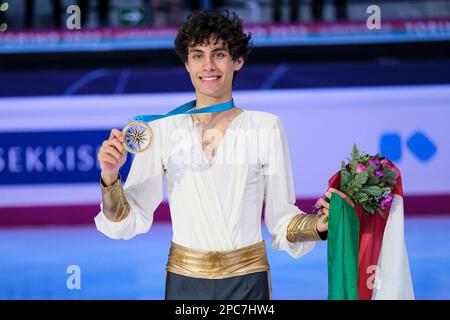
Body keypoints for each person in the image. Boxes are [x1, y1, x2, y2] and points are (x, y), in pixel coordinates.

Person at [95, 10, 354, 300]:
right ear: (187, 63)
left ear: (237, 60)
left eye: (218, 54)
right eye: (197, 55)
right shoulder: (161, 131)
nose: (208, 65)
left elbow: (281, 220)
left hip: (248, 283)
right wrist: (110, 175)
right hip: (184, 284)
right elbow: (129, 219)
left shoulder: (266, 126)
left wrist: (320, 225)